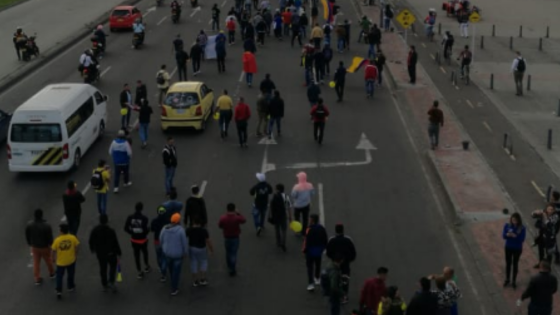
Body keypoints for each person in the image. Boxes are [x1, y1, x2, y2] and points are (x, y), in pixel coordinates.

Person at [89, 214, 121, 292]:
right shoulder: (111, 231)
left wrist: (92, 249)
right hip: (111, 253)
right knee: (113, 266)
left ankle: (104, 283)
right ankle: (111, 281)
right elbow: (115, 242)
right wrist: (118, 251)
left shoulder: (95, 230)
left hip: (100, 254)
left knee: (103, 268)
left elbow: (91, 240)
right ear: (107, 221)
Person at [327, 223, 357, 304]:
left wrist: (333, 259)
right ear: (343, 230)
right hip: (345, 264)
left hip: (335, 263)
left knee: (333, 279)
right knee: (345, 280)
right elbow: (353, 253)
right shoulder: (348, 240)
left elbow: (328, 252)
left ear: (335, 230)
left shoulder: (332, 240)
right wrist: (349, 260)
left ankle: (334, 295)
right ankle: (344, 296)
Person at [160, 213, 188, 295]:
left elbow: (160, 239)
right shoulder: (181, 230)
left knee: (171, 269)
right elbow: (184, 243)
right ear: (178, 221)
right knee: (176, 272)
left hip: (167, 253)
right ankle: (174, 288)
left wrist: (164, 248)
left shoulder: (164, 228)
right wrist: (185, 253)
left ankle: (172, 281)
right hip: (178, 255)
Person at [26, 209, 54, 285]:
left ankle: (37, 278)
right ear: (42, 215)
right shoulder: (46, 225)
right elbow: (50, 238)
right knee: (48, 260)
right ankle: (52, 273)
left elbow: (27, 235)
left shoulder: (30, 224)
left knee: (36, 262)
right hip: (44, 247)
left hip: (34, 246)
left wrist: (30, 243)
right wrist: (51, 245)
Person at [51, 223, 79, 299]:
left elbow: (53, 250)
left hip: (60, 262)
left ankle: (59, 290)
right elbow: (76, 246)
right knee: (71, 274)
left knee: (59, 276)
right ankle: (70, 286)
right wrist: (75, 254)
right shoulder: (72, 238)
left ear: (61, 231)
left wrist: (53, 258)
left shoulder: (57, 240)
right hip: (71, 260)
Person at [124, 202, 151, 279]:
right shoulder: (145, 218)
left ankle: (139, 272)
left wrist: (132, 232)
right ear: (142, 209)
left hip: (134, 240)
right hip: (143, 240)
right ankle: (146, 266)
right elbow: (145, 230)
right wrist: (147, 230)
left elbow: (125, 228)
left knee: (136, 256)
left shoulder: (130, 217)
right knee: (145, 253)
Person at [218, 203, 247, 276]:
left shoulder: (223, 218)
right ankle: (232, 269)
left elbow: (220, 225)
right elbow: (244, 220)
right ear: (234, 209)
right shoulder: (237, 218)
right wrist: (239, 213)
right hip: (235, 237)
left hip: (227, 237)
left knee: (228, 252)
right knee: (233, 253)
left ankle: (229, 264)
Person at [302, 214, 327, 290]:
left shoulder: (309, 229)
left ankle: (311, 283)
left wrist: (305, 250)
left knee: (310, 267)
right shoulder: (321, 228)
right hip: (318, 251)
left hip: (310, 251)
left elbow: (306, 241)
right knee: (318, 264)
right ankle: (317, 278)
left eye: (310, 219)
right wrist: (322, 248)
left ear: (312, 220)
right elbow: (325, 239)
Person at [186, 217, 214, 286]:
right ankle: (203, 279)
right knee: (203, 262)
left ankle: (195, 280)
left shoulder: (189, 230)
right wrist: (211, 250)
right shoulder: (204, 230)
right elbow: (208, 241)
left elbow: (184, 239)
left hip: (192, 248)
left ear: (193, 222)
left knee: (193, 263)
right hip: (202, 248)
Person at [503, 212, 526, 289]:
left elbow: (522, 239)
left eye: (515, 220)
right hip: (508, 247)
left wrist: (514, 236)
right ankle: (507, 279)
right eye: (513, 220)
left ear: (518, 220)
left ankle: (514, 281)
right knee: (508, 263)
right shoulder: (507, 225)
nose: (514, 221)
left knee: (515, 264)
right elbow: (503, 235)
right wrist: (507, 235)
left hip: (517, 248)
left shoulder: (522, 228)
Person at [290, 171, 315, 236]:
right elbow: (313, 193)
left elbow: (293, 195)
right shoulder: (310, 185)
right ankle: (304, 231)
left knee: (297, 218)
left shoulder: (296, 187)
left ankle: (297, 230)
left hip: (297, 206)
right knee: (305, 218)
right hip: (306, 205)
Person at [269, 183, 292, 251]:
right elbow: (289, 207)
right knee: (284, 230)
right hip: (283, 215)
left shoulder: (274, 196)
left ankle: (278, 242)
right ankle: (283, 242)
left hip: (276, 215)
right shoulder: (285, 196)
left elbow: (271, 207)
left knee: (277, 229)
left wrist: (270, 215)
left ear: (277, 189)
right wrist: (290, 217)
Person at [150, 206, 167, 280]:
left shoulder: (154, 221)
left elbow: (152, 229)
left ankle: (160, 267)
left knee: (158, 255)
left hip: (157, 241)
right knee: (164, 256)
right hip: (165, 241)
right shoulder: (167, 220)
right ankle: (164, 270)